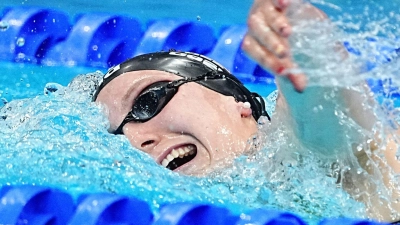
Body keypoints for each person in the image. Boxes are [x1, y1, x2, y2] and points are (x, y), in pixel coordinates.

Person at [94, 0, 400, 222]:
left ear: (237, 103)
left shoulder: (308, 161)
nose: (136, 141)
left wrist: (293, 28)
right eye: (116, 136)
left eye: (148, 102)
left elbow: (327, 115)